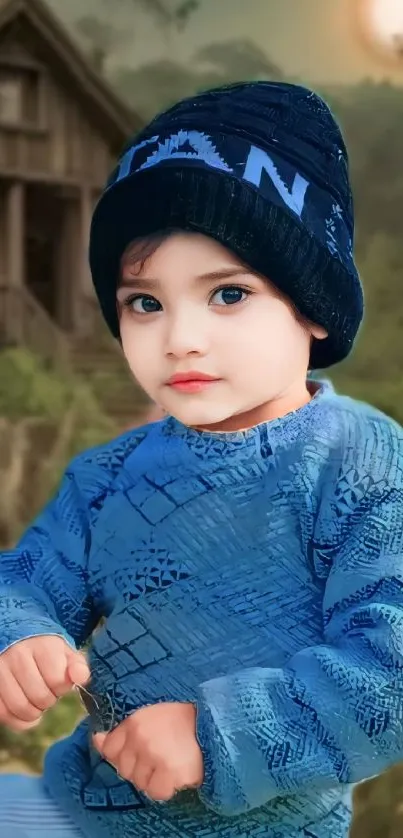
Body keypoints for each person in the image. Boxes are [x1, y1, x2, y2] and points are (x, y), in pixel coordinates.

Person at [0, 81, 402, 838]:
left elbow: (390, 674)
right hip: (83, 809)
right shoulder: (108, 477)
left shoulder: (360, 464)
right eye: (144, 303)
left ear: (311, 305)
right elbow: (25, 578)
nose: (179, 337)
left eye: (226, 294)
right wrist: (18, 634)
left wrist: (213, 735)